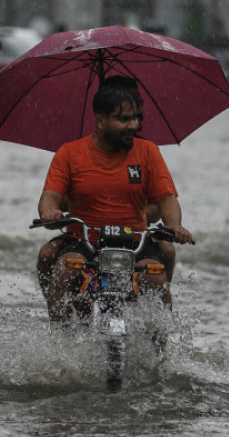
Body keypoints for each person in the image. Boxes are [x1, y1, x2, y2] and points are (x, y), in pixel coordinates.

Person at [36, 75, 192, 323]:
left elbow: (167, 199)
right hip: (83, 241)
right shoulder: (69, 153)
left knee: (157, 278)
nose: (133, 125)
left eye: (135, 118)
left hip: (135, 241)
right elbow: (49, 197)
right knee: (65, 269)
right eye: (123, 119)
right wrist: (50, 212)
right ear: (100, 120)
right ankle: (61, 342)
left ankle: (159, 352)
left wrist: (175, 225)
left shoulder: (148, 151)